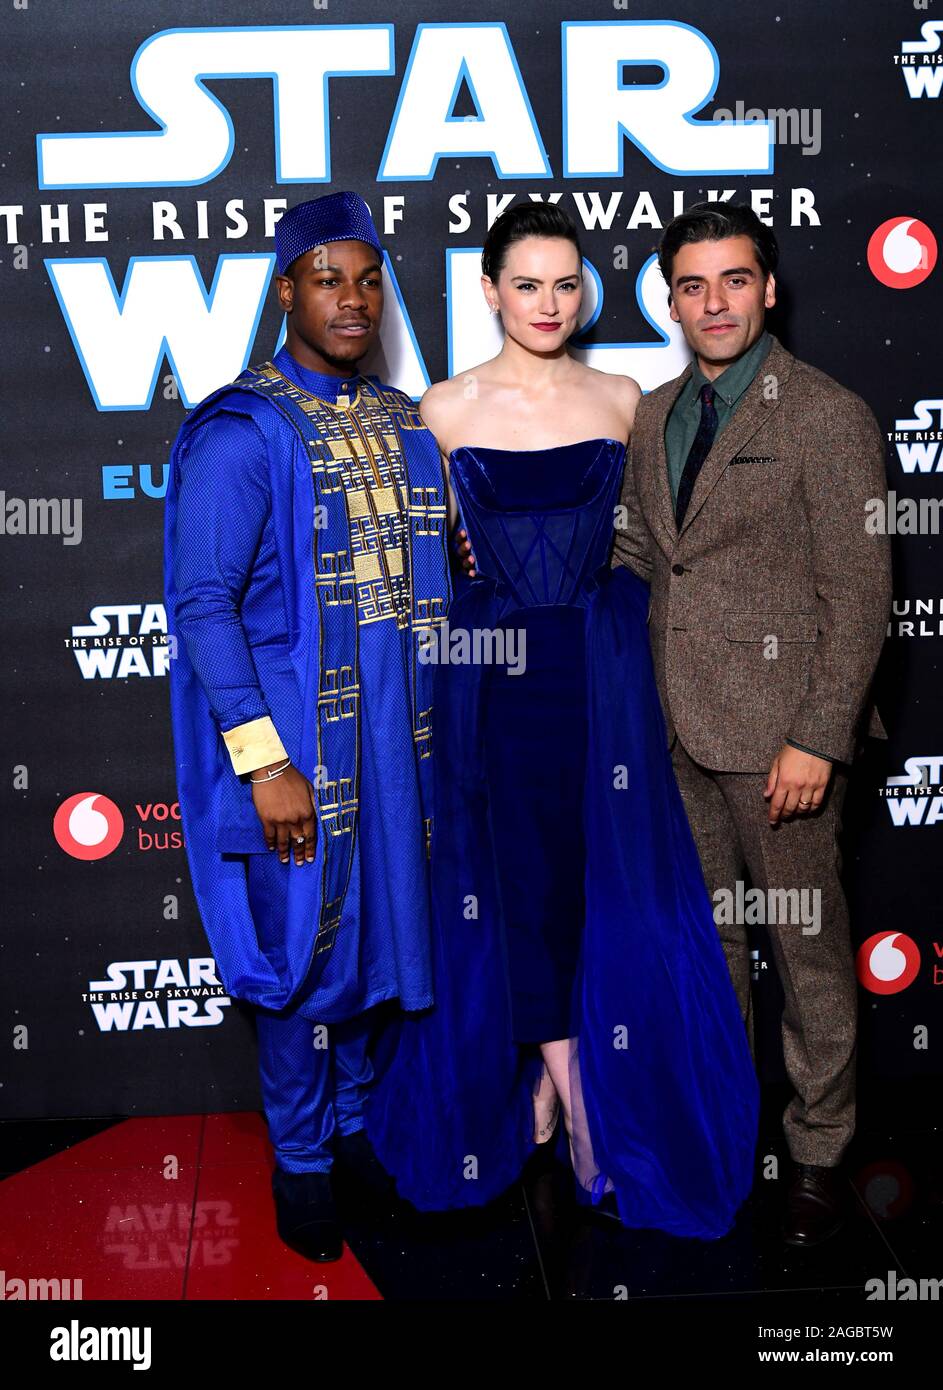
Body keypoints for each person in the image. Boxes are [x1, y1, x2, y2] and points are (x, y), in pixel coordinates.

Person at [365, 202, 760, 1240]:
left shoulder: (625, 396)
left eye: (566, 284)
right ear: (488, 291)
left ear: (584, 293)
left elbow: (661, 548)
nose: (548, 303)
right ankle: (576, 1095)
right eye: (526, 283)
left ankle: (558, 1088)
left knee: (598, 884)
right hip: (488, 676)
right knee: (514, 886)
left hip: (598, 670)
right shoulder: (438, 409)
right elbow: (420, 563)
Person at [163, 191, 451, 1262]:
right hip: (298, 752)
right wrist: (262, 760)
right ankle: (303, 1160)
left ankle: (359, 1130)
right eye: (327, 278)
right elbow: (202, 607)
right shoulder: (243, 430)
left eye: (368, 279)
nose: (353, 299)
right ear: (285, 289)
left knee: (382, 944)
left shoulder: (401, 418)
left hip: (397, 743)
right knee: (300, 959)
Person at [610, 202, 891, 1246]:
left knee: (804, 947)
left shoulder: (825, 414)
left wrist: (818, 735)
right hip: (674, 731)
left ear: (767, 289)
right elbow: (648, 554)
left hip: (781, 744)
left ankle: (818, 1148)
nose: (713, 302)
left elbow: (861, 594)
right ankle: (727, 1128)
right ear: (671, 300)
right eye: (691, 285)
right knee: (713, 947)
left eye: (733, 280)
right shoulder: (652, 413)